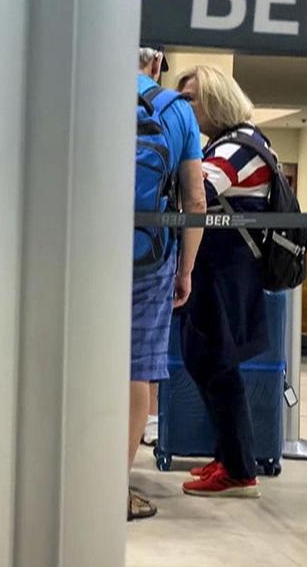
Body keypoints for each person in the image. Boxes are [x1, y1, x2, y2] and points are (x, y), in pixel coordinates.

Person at [177, 65, 271, 499]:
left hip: (224, 273)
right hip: (220, 269)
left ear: (216, 99)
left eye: (192, 97)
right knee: (208, 360)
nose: (185, 105)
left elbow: (197, 192)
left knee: (216, 363)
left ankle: (238, 468)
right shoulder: (231, 143)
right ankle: (231, 457)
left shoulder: (237, 148)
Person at [127, 46, 206, 521]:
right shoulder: (177, 111)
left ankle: (65, 476)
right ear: (155, 63)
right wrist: (185, 270)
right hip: (148, 258)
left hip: (79, 255)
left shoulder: (80, 93)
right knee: (134, 372)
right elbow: (195, 197)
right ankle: (112, 487)